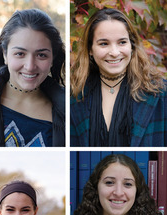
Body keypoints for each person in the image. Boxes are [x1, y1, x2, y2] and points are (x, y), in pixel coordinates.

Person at [70, 8, 167, 146]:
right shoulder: (73, 95)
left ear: (132, 46)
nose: (114, 53)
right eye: (104, 43)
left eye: (122, 42)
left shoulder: (161, 94)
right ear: (90, 49)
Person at [0, 9, 65, 147]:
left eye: (41, 55)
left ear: (52, 59)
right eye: (20, 54)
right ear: (5, 54)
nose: (30, 66)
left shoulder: (68, 110)